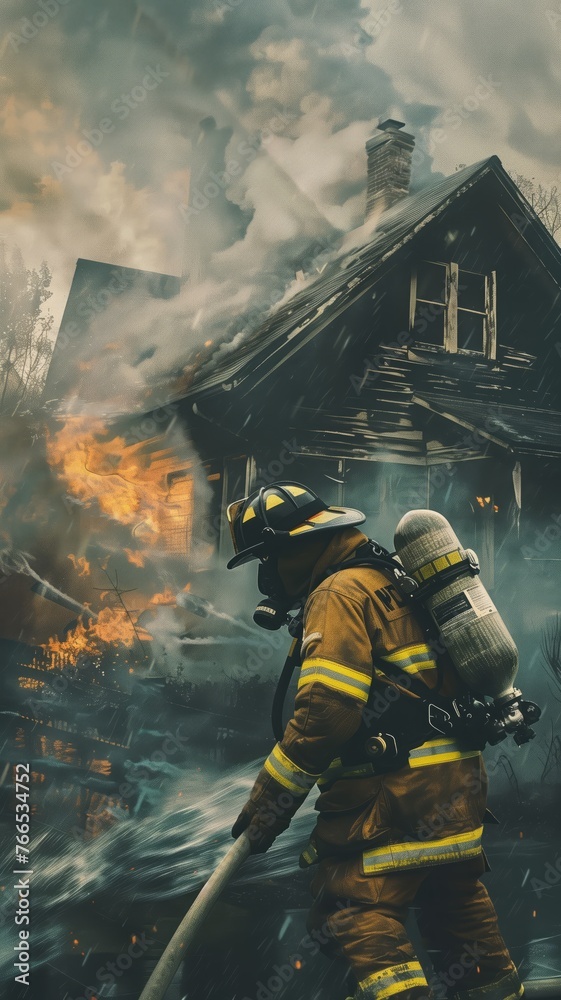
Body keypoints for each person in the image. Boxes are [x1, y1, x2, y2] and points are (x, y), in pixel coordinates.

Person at [227, 481, 523, 1000]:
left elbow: (326, 714)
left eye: (268, 557)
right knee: (459, 911)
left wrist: (269, 804)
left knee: (353, 911)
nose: (266, 575)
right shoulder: (399, 579)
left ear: (302, 544)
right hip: (458, 798)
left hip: (390, 804)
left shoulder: (339, 594)